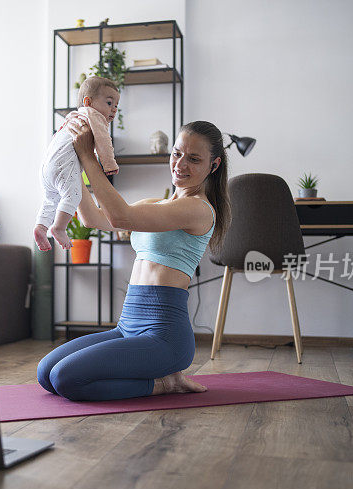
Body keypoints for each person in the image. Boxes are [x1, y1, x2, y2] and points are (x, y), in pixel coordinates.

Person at [36, 120, 231, 401]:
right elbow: (94, 219)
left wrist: (90, 157)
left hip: (164, 336)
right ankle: (158, 378)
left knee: (66, 378)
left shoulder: (198, 209)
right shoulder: (155, 204)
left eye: (194, 159)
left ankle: (164, 384)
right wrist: (72, 162)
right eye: (177, 153)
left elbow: (121, 217)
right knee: (46, 373)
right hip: (128, 326)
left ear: (213, 165)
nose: (180, 164)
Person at [34, 76, 120, 252]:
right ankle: (58, 228)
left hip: (46, 167)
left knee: (51, 199)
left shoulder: (73, 116)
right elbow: (104, 141)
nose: (114, 110)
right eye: (109, 103)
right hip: (62, 167)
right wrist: (109, 163)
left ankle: (41, 227)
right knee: (72, 196)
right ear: (88, 102)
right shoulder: (94, 116)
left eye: (116, 105)